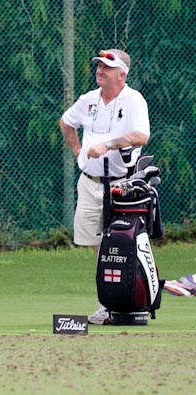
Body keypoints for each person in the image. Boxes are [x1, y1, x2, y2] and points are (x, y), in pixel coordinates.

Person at [59, 49, 150, 325]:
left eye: (107, 67)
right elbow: (66, 123)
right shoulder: (88, 100)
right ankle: (107, 303)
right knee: (96, 246)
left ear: (122, 74)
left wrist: (108, 145)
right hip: (89, 183)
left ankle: (136, 298)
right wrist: (78, 151)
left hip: (121, 186)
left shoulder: (133, 100)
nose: (100, 70)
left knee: (124, 243)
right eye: (99, 66)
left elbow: (141, 135)